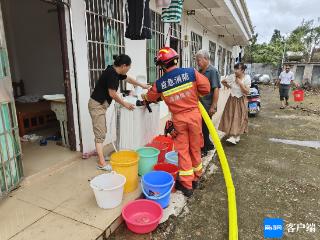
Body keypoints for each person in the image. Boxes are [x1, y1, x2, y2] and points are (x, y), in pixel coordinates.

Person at [141, 47, 210, 197]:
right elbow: (206, 88)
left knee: (183, 151)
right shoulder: (191, 73)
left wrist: (144, 98)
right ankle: (196, 178)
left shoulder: (160, 83)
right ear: (175, 60)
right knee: (195, 147)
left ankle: (187, 186)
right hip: (194, 116)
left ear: (162, 65)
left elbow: (151, 97)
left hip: (179, 119)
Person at [89, 54, 150, 171]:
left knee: (102, 130)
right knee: (100, 134)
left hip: (100, 105)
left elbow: (128, 78)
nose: (128, 70)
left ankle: (101, 157)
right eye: (128, 67)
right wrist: (125, 104)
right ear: (123, 66)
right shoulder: (112, 74)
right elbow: (112, 94)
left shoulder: (115, 71)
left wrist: (142, 85)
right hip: (97, 106)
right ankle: (101, 163)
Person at [195, 49, 221, 157]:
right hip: (199, 104)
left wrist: (213, 106)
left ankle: (204, 149)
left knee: (204, 128)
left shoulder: (212, 71)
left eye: (199, 60)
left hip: (207, 105)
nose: (197, 62)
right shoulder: (200, 71)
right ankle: (209, 145)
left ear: (206, 59)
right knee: (201, 127)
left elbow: (216, 89)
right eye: (196, 60)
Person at [219, 63, 251, 145]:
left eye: (237, 69)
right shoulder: (232, 76)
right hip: (232, 99)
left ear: (243, 70)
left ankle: (234, 136)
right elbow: (223, 82)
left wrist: (240, 83)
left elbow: (247, 92)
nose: (235, 71)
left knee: (238, 118)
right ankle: (235, 136)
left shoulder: (247, 78)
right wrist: (230, 86)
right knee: (230, 116)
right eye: (235, 69)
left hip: (241, 100)